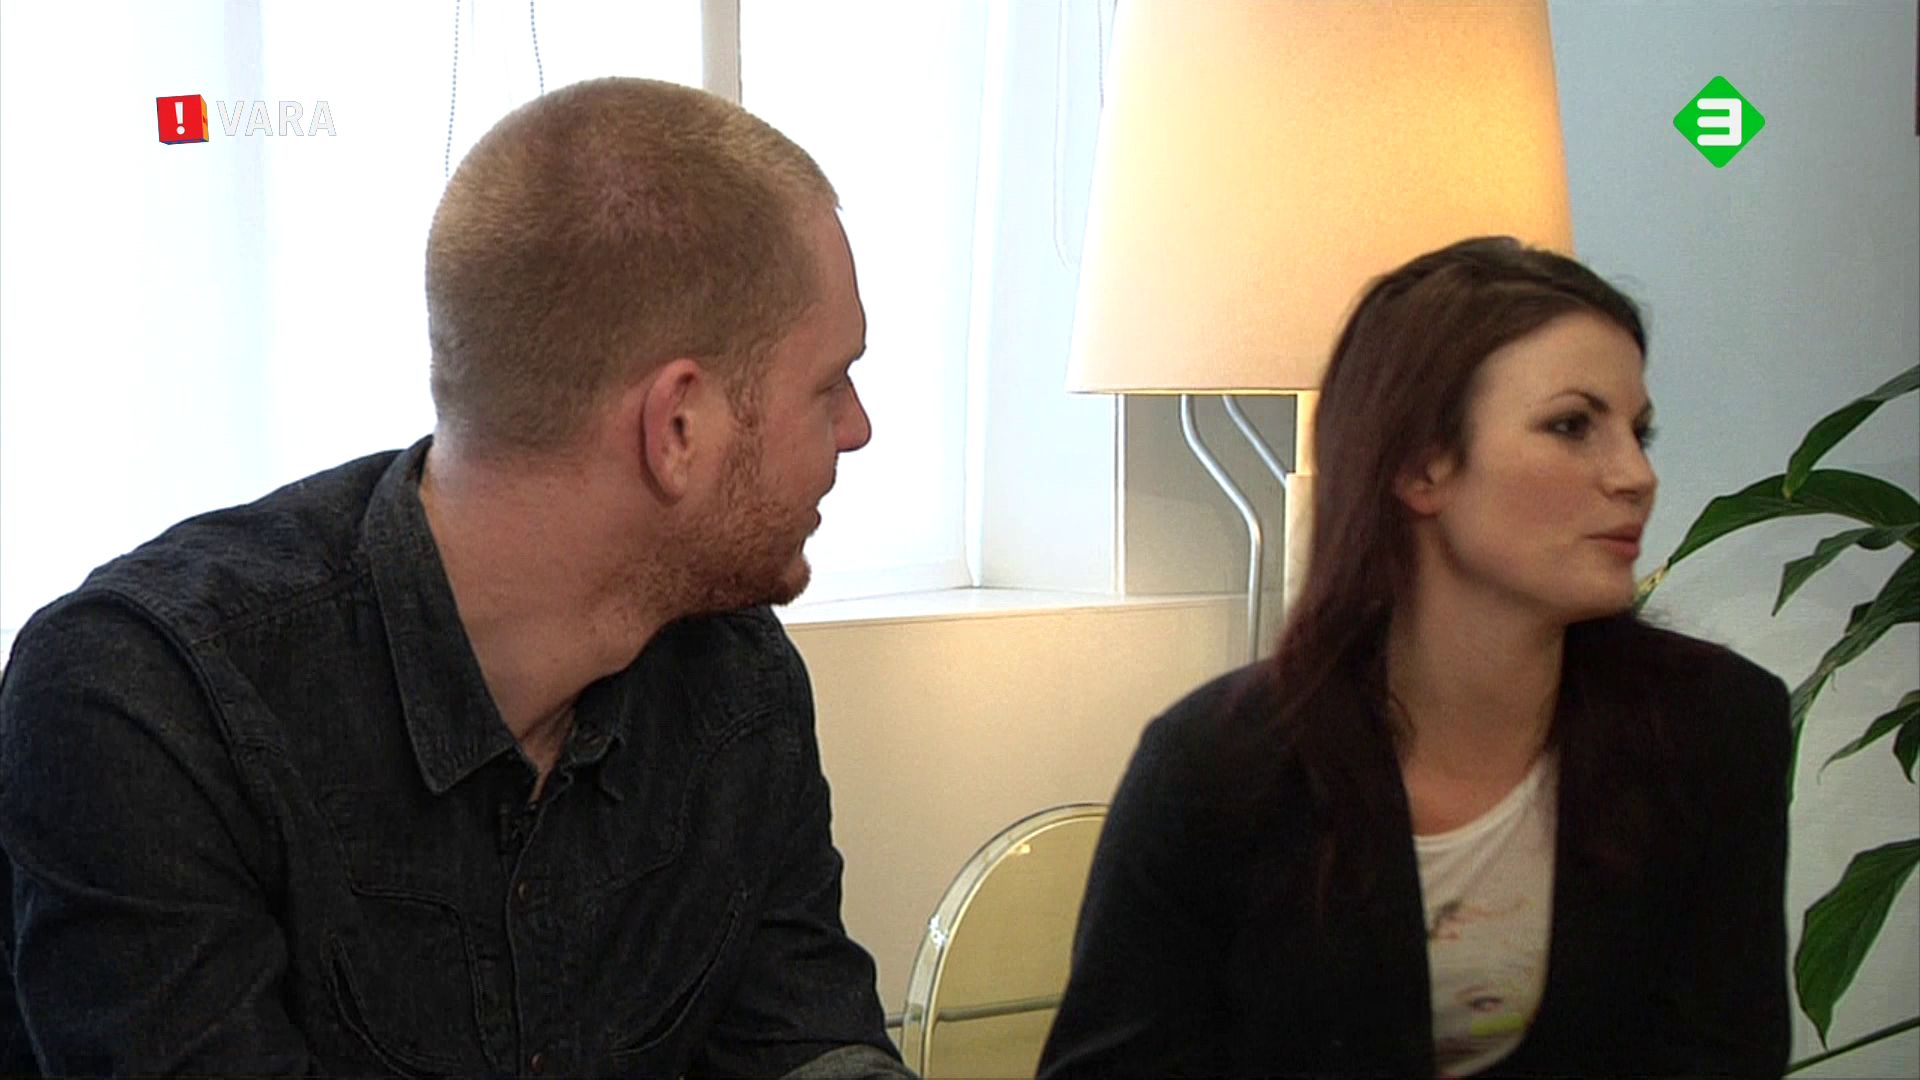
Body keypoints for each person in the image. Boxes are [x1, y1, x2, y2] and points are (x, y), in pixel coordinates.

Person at [0, 77, 913, 1078]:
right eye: (830, 383)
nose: (857, 428)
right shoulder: (147, 707)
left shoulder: (735, 677)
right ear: (679, 427)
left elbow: (809, 1047)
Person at [1037, 237, 1792, 1078]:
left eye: (1639, 432)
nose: (1636, 475)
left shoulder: (1714, 727)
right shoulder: (1219, 764)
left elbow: (1726, 1057)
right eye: (1573, 426)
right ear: (1420, 467)